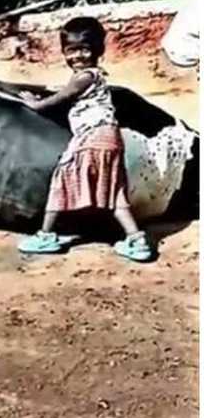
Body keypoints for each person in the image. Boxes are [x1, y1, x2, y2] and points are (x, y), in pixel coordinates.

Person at [17, 17, 152, 261]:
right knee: (115, 193)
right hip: (111, 137)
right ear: (64, 52)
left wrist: (32, 103)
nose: (77, 56)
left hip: (92, 135)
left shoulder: (84, 78)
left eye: (84, 49)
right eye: (71, 50)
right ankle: (137, 239)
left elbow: (55, 101)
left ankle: (46, 234)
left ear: (97, 50)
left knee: (62, 179)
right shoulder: (96, 77)